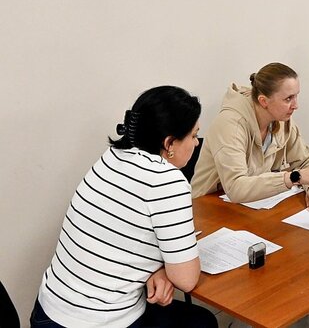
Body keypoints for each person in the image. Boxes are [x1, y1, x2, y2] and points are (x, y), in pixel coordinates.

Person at [30, 86, 217, 328]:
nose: (196, 143)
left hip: (48, 311)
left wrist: (157, 269)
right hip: (100, 321)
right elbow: (187, 280)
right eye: (193, 136)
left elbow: (121, 239)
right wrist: (165, 270)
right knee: (202, 322)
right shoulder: (167, 180)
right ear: (169, 143)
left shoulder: (112, 157)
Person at [191, 62, 309, 212]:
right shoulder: (231, 124)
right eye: (288, 99)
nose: (295, 105)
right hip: (209, 208)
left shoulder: (281, 119)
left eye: (296, 96)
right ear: (263, 101)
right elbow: (235, 187)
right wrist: (294, 177)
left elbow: (306, 160)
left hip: (252, 208)